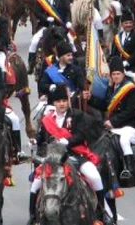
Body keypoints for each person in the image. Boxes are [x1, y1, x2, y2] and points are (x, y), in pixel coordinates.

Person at [29, 84, 107, 225]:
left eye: (64, 101)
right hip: (53, 159)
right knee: (36, 183)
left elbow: (83, 133)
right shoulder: (47, 119)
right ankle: (33, 217)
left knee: (94, 176)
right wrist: (34, 142)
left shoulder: (77, 115)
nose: (62, 104)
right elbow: (41, 139)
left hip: (75, 155)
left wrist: (68, 141)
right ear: (54, 103)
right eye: (59, 101)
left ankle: (101, 214)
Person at [86, 56, 135, 181]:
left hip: (130, 125)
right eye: (114, 74)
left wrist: (113, 121)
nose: (116, 76)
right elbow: (105, 105)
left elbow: (130, 111)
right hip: (115, 126)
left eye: (118, 74)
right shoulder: (112, 88)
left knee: (124, 140)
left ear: (123, 74)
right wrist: (90, 98)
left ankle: (129, 168)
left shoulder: (130, 89)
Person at [27, 0, 74, 73]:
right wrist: (45, 18)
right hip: (46, 26)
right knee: (34, 42)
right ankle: (31, 65)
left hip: (60, 26)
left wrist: (68, 21)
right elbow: (36, 12)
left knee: (72, 42)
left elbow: (67, 11)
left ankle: (75, 61)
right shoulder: (40, 0)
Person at [109, 11, 135, 92]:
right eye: (126, 23)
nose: (128, 25)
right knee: (107, 82)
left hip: (134, 67)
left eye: (130, 23)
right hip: (118, 69)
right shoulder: (117, 37)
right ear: (122, 24)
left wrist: (126, 63)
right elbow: (113, 53)